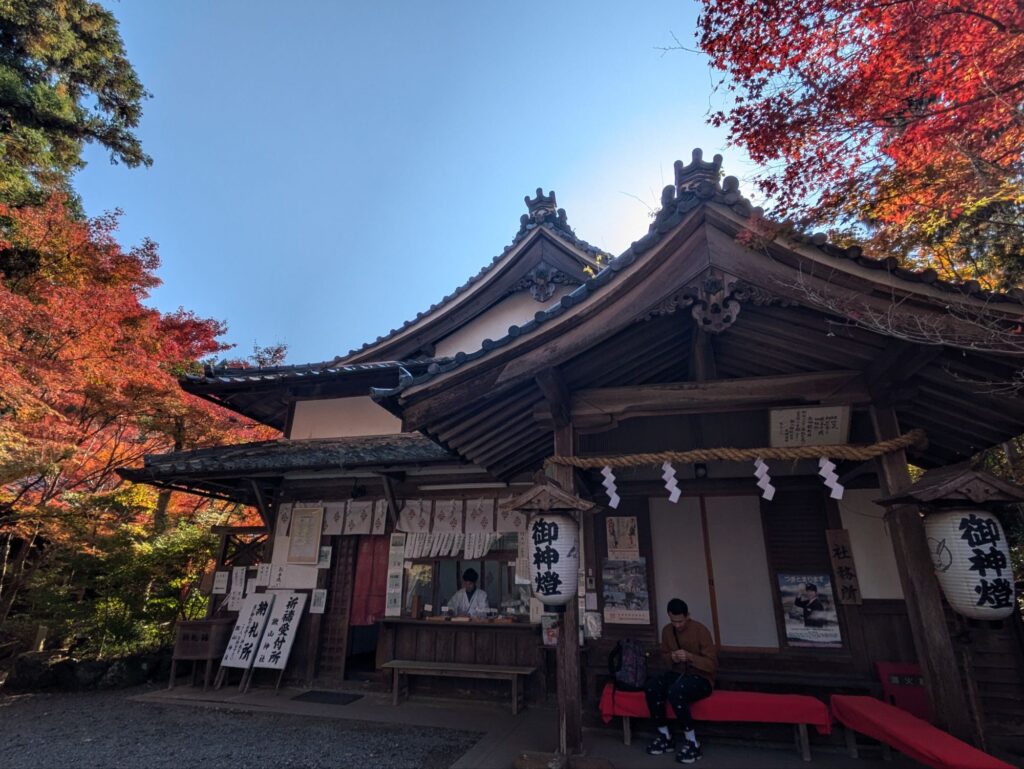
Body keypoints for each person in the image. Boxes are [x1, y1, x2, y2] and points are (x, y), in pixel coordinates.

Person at [644, 598, 717, 764]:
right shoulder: (667, 631)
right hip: (677, 673)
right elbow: (664, 657)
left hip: (701, 678)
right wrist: (672, 657)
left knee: (676, 692)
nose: (677, 625)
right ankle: (665, 735)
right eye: (673, 621)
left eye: (680, 621)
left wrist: (690, 657)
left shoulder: (700, 630)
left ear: (688, 616)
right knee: (652, 687)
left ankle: (692, 741)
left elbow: (712, 664)